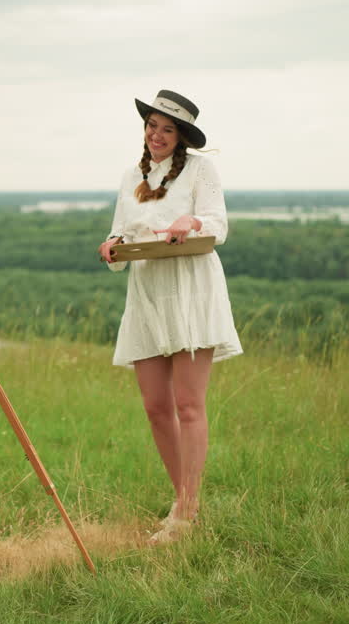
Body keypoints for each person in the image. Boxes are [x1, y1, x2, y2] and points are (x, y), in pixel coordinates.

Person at [97, 90, 242, 545]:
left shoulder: (201, 170)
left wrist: (191, 223)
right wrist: (112, 245)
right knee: (156, 407)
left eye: (167, 129)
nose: (156, 135)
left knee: (188, 405)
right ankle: (181, 499)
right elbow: (122, 229)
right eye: (152, 126)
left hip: (190, 290)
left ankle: (186, 512)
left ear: (181, 137)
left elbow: (218, 222)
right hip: (148, 294)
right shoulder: (132, 175)